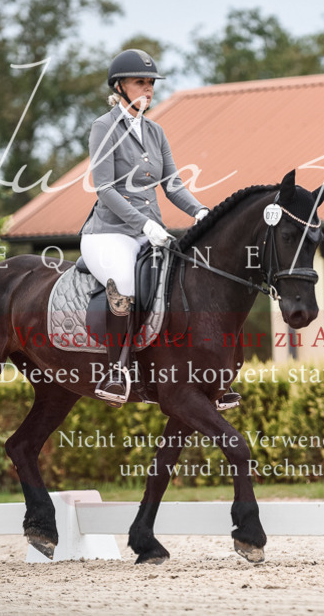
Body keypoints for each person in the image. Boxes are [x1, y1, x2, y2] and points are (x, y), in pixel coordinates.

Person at [79, 49, 208, 404]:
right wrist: (145, 224)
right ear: (119, 86)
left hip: (149, 234)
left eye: (151, 83)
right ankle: (116, 371)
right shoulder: (104, 128)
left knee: (186, 284)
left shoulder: (155, 130)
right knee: (124, 283)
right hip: (108, 234)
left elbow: (173, 184)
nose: (148, 90)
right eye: (141, 83)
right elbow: (104, 189)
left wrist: (201, 212)